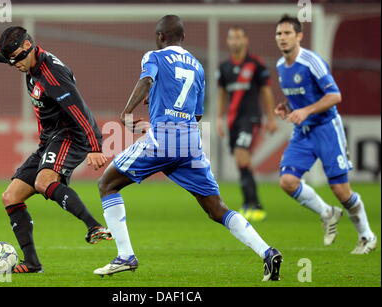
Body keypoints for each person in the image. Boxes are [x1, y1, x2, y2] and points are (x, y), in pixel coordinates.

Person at [93, 15, 282, 281]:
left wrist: (126, 113)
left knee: (107, 184)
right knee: (216, 207)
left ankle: (125, 256)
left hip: (162, 139)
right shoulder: (197, 66)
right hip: (191, 142)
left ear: (160, 37)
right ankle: (267, 252)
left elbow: (146, 80)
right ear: (183, 37)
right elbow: (196, 115)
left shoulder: (154, 57)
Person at [0, 26, 112, 273]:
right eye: (10, 59)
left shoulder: (53, 75)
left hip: (71, 135)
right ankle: (33, 264)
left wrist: (95, 147)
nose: (14, 64)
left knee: (43, 181)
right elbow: (7, 54)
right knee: (11, 197)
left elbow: (80, 111)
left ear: (28, 47)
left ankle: (94, 227)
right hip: (50, 138)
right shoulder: (24, 56)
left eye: (16, 59)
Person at [274, 15, 376, 254]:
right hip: (303, 132)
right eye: (279, 34)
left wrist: (306, 110)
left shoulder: (311, 61)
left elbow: (334, 96)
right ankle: (327, 213)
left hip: (326, 129)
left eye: (288, 33)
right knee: (287, 182)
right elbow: (300, 97)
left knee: (340, 190)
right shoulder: (281, 66)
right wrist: (288, 108)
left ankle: (367, 236)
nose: (282, 38)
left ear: (299, 36)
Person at [217, 26, 278, 222]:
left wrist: (270, 118)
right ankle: (250, 203)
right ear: (228, 42)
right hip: (233, 120)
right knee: (241, 162)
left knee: (242, 158)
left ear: (245, 40)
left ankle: (253, 204)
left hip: (250, 118)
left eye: (238, 38)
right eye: (231, 38)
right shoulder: (224, 67)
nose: (235, 41)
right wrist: (219, 118)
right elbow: (222, 94)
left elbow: (266, 91)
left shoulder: (255, 64)